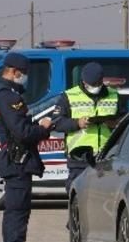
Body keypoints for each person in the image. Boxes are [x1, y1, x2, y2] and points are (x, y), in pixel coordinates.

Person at [0, 52, 54, 242]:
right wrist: (44, 128)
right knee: (17, 214)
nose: (25, 78)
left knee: (16, 212)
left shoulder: (4, 93)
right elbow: (22, 132)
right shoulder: (8, 96)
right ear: (15, 72)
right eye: (23, 74)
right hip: (17, 160)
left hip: (15, 157)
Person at [49, 62, 119, 193]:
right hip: (79, 158)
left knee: (103, 198)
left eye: (97, 84)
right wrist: (77, 123)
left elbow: (124, 119)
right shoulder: (69, 96)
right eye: (91, 85)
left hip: (106, 157)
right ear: (83, 81)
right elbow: (57, 123)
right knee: (78, 196)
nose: (94, 87)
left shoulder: (114, 95)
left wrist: (113, 124)